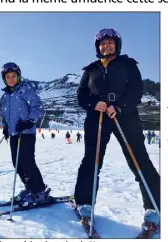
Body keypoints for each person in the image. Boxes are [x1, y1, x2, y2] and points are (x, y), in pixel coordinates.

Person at [73, 28, 160, 226]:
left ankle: (154, 204)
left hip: (125, 116)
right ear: (98, 47)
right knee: (91, 160)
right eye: (102, 44)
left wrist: (120, 106)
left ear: (117, 45)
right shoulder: (90, 69)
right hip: (97, 117)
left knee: (138, 159)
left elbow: (136, 90)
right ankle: (85, 202)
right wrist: (93, 103)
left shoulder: (128, 64)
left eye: (110, 42)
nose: (106, 46)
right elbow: (81, 95)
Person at [0, 62, 49, 206]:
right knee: (17, 163)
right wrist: (5, 127)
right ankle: (30, 187)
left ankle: (38, 191)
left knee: (27, 161)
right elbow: (4, 115)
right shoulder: (5, 96)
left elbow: (38, 107)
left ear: (18, 76)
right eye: (7, 76)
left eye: (13, 76)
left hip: (26, 132)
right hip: (14, 134)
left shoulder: (25, 90)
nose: (11, 79)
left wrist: (30, 121)